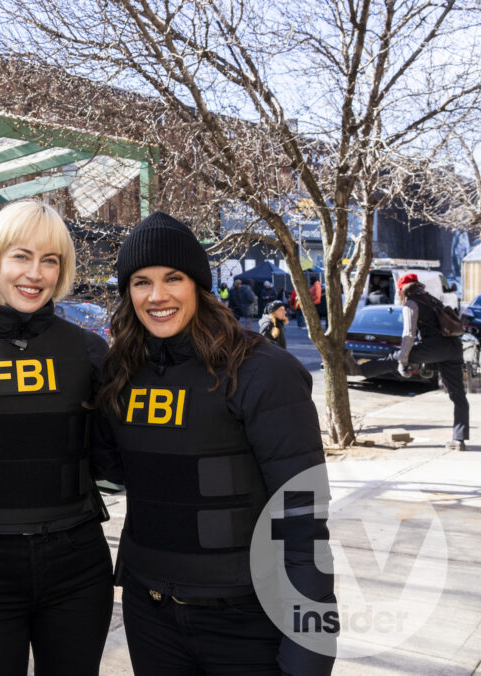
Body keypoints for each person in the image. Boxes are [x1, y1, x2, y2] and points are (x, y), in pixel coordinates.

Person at [94, 212, 336, 675]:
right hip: (150, 617)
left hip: (246, 621)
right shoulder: (120, 373)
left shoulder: (263, 372)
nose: (157, 295)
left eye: (173, 278)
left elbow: (303, 521)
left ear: (199, 285)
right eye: (141, 282)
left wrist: (311, 652)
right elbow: (116, 471)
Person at [0, 201, 113, 675]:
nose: (35, 273)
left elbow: (118, 458)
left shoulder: (89, 351)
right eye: (21, 256)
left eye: (50, 260)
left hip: (78, 563)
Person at [348, 273, 470, 451]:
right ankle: (459, 440)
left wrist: (402, 360)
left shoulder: (412, 303)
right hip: (454, 347)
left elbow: (408, 335)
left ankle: (358, 370)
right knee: (458, 395)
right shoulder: (432, 299)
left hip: (435, 348)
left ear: (402, 290)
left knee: (394, 357)